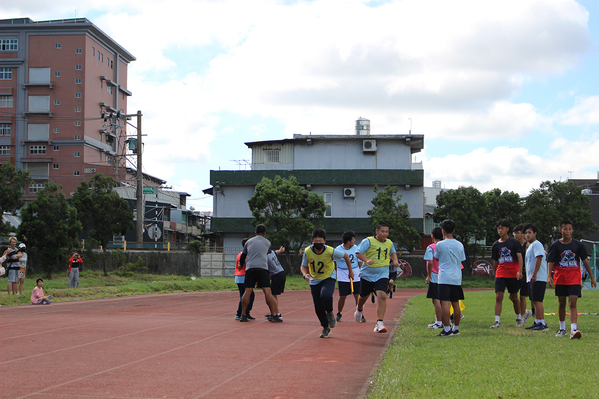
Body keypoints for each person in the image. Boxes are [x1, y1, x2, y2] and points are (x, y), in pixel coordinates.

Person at [547, 220, 597, 339]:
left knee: (573, 303)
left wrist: (592, 278)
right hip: (560, 279)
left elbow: (585, 260)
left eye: (570, 229)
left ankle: (574, 330)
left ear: (572, 230)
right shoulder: (556, 245)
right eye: (565, 229)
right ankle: (562, 328)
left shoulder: (578, 245)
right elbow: (550, 261)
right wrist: (549, 275)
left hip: (574, 278)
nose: (568, 231)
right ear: (560, 230)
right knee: (562, 303)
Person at [300, 228, 352, 338]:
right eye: (316, 241)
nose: (318, 244)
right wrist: (305, 274)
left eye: (320, 241)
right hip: (314, 280)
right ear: (312, 241)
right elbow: (303, 266)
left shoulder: (330, 251)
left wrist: (350, 272)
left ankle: (330, 312)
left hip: (329, 277)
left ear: (324, 241)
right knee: (318, 308)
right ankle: (325, 327)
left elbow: (346, 256)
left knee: (325, 295)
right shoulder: (308, 251)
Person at [355, 222, 400, 333]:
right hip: (367, 274)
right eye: (382, 231)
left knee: (382, 295)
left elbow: (393, 252)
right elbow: (358, 253)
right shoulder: (368, 241)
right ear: (377, 231)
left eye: (387, 232)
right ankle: (359, 309)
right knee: (363, 297)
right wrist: (367, 260)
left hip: (382, 273)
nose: (385, 234)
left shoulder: (389, 243)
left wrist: (395, 261)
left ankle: (380, 322)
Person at [239, 224, 280, 323]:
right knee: (267, 291)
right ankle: (273, 315)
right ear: (265, 234)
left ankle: (243, 315)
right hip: (262, 268)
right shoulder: (268, 243)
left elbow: (243, 255)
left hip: (250, 268)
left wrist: (241, 264)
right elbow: (267, 254)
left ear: (255, 233)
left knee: (247, 290)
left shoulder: (248, 242)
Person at [434, 219, 466, 337]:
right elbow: (462, 259)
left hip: (444, 278)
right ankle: (456, 328)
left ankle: (447, 329)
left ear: (442, 231)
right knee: (456, 304)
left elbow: (437, 258)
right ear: (453, 230)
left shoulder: (440, 244)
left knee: (445, 304)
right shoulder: (460, 244)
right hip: (456, 278)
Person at [490, 219, 524, 328]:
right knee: (499, 296)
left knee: (514, 296)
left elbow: (519, 256)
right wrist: (496, 274)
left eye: (502, 228)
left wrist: (520, 270)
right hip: (501, 273)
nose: (500, 230)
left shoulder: (514, 242)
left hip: (512, 273)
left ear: (507, 229)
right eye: (498, 228)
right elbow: (495, 261)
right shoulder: (496, 244)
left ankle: (519, 318)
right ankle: (497, 321)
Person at [522, 224, 548, 331]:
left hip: (538, 277)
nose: (527, 235)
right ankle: (537, 321)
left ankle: (542, 322)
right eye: (526, 233)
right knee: (534, 300)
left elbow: (539, 258)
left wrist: (535, 274)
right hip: (531, 278)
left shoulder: (537, 244)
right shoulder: (530, 246)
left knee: (537, 300)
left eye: (529, 232)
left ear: (535, 233)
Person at [334, 230, 362, 322]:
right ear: (348, 241)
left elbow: (360, 261)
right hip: (343, 273)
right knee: (343, 296)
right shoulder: (338, 250)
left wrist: (361, 271)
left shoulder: (356, 248)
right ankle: (339, 312)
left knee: (357, 294)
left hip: (355, 272)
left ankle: (359, 313)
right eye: (353, 240)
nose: (354, 241)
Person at [513, 224, 533, 323]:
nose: (515, 235)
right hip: (516, 273)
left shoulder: (528, 245)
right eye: (514, 233)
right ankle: (525, 312)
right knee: (512, 295)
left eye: (518, 233)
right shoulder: (514, 245)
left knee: (523, 296)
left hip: (526, 273)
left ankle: (522, 316)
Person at [424, 227, 444, 329]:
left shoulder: (431, 247)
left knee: (436, 300)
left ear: (432, 236)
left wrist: (429, 275)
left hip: (435, 276)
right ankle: (444, 321)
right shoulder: (444, 246)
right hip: (444, 275)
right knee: (443, 300)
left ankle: (439, 321)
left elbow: (430, 262)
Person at [234, 238, 255, 320]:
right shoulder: (245, 255)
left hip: (240, 277)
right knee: (246, 295)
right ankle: (240, 313)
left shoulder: (240, 254)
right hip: (243, 276)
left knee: (246, 295)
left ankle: (245, 312)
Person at [267, 246, 286, 320]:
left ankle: (277, 313)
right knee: (274, 294)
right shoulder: (271, 253)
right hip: (281, 272)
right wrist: (280, 250)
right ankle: (274, 311)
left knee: (272, 295)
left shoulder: (266, 257)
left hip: (276, 275)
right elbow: (276, 252)